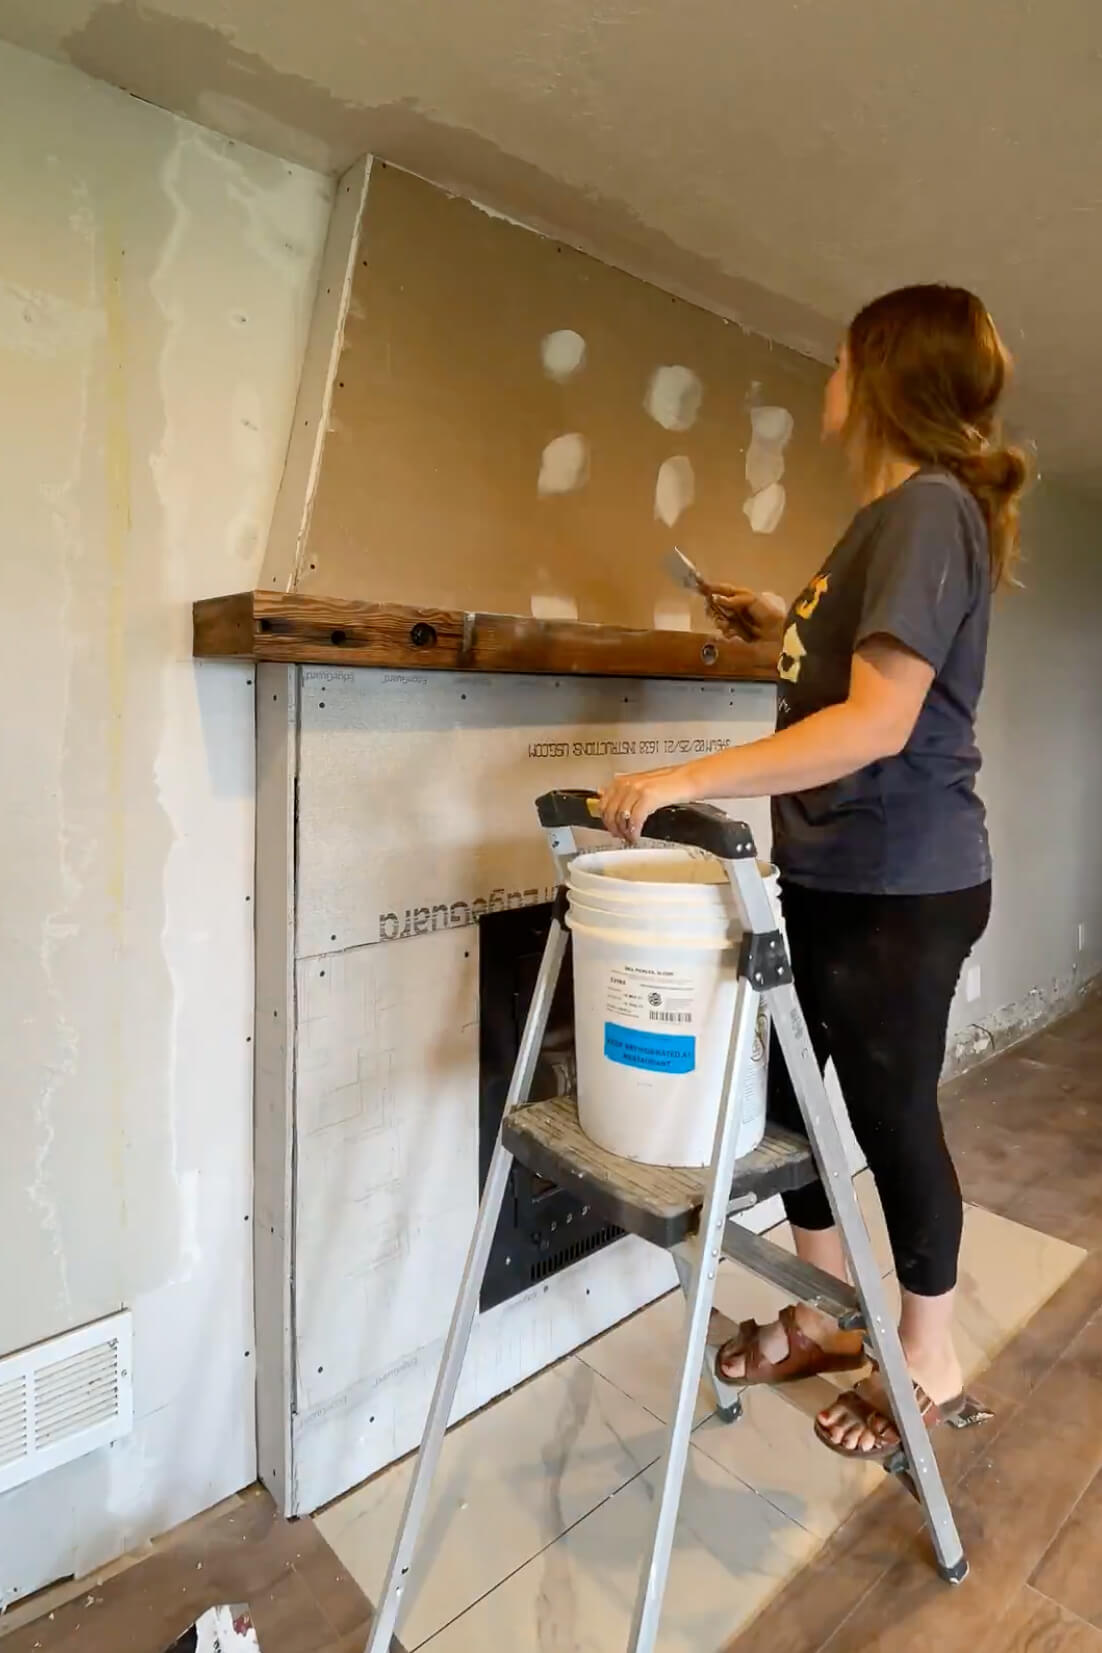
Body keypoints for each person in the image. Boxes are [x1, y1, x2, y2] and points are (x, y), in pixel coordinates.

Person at [599, 284, 1028, 1460]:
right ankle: (827, 1316)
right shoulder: (878, 527)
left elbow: (878, 723)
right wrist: (770, 622)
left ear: (878, 377)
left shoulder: (929, 511)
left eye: (839, 364)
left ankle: (927, 1353)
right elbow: (848, 674)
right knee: (791, 1101)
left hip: (904, 882)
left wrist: (685, 777)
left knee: (890, 1117)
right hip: (834, 873)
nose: (825, 386)